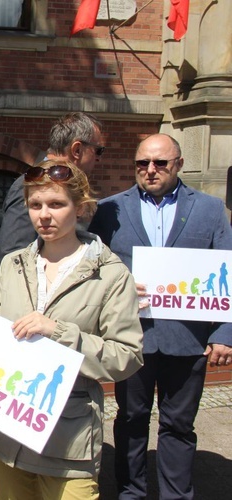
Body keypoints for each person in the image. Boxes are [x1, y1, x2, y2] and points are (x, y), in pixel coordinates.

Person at [0, 159, 144, 498]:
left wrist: (58, 331)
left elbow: (126, 357)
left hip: (68, 440)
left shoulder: (110, 274)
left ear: (80, 208)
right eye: (35, 205)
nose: (44, 215)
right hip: (5, 436)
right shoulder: (13, 264)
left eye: (56, 204)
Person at [88, 133, 232, 499]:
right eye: (142, 163)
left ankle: (175, 494)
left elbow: (228, 272)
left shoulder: (210, 209)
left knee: (179, 425)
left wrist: (225, 333)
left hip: (188, 338)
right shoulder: (109, 210)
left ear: (178, 165)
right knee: (130, 420)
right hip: (130, 337)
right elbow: (89, 268)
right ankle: (131, 491)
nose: (150, 170)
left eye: (160, 163)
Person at [0, 112, 104, 260]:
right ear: (77, 150)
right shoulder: (30, 184)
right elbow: (14, 254)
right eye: (98, 150)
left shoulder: (72, 183)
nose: (98, 159)